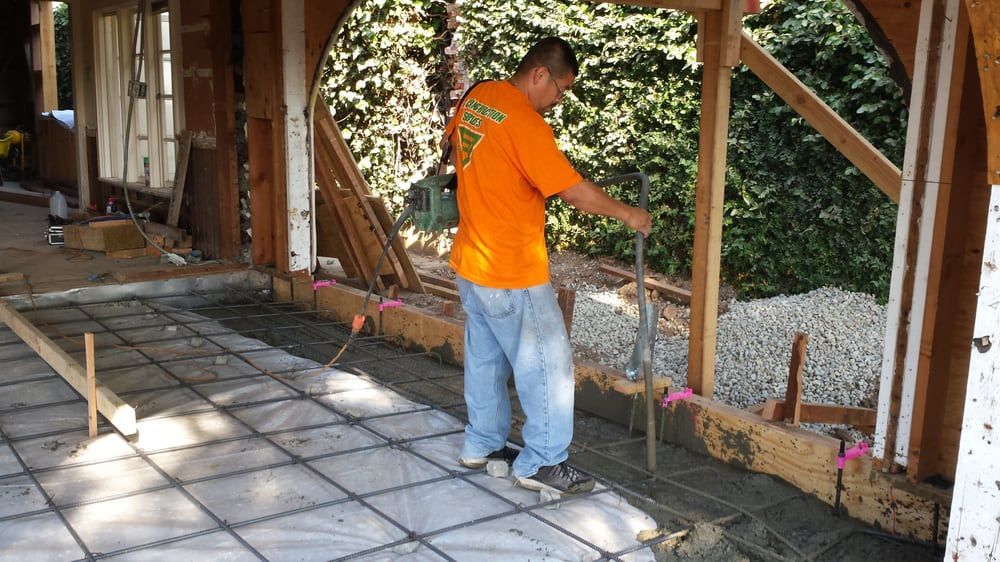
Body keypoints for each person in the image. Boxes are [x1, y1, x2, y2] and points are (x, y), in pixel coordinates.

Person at [444, 37, 652, 495]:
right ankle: (542, 462)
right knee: (547, 364)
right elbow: (572, 191)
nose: (559, 102)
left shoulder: (479, 96)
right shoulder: (525, 123)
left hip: (471, 262)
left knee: (485, 358)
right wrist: (629, 214)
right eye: (560, 90)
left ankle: (482, 444)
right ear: (540, 74)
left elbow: (463, 152)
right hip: (510, 270)